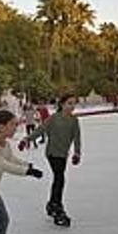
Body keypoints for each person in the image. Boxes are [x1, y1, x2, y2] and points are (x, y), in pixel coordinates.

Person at [21, 95, 82, 227]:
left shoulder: (74, 120)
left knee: (58, 178)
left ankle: (52, 203)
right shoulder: (54, 118)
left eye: (73, 104)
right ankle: (56, 205)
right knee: (60, 177)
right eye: (69, 103)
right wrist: (27, 139)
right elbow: (40, 130)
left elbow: (77, 137)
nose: (72, 106)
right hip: (52, 153)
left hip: (63, 154)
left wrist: (77, 153)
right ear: (62, 104)